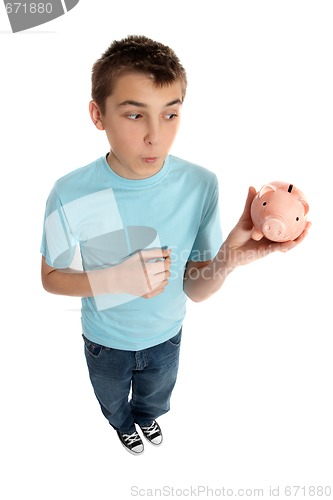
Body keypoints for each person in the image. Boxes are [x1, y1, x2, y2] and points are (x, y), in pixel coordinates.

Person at [40, 35, 310, 456]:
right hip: (103, 341)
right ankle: (122, 424)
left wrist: (230, 258)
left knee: (156, 398)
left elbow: (195, 288)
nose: (155, 136)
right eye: (134, 115)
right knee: (113, 402)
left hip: (167, 336)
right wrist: (117, 279)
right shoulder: (69, 192)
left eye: (170, 114)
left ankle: (145, 419)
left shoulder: (201, 184)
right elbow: (50, 279)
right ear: (98, 115)